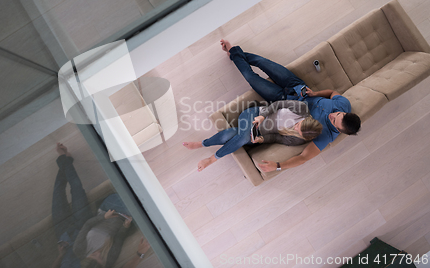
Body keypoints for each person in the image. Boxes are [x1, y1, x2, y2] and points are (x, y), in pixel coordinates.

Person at [219, 39, 361, 173]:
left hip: (282, 99)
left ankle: (233, 52)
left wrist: (278, 166)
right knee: (262, 62)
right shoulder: (344, 104)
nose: (333, 115)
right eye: (338, 114)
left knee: (251, 77)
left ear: (338, 130)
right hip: (297, 86)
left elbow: (303, 158)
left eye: (334, 120)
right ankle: (233, 52)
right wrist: (315, 93)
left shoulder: (326, 136)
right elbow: (332, 93)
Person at [51, 143, 150, 268]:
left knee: (62, 195)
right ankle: (65, 160)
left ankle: (64, 159)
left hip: (68, 235)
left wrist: (61, 256)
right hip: (95, 224)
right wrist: (138, 252)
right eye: (99, 258)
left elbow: (88, 226)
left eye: (95, 257)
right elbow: (118, 241)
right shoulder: (106, 260)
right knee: (135, 205)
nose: (97, 254)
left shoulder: (80, 252)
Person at [184, 100, 323, 171]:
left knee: (234, 133)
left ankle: (202, 143)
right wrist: (262, 116)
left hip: (257, 133)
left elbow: (275, 138)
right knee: (243, 137)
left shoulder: (298, 139)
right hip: (254, 114)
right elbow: (277, 105)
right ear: (307, 119)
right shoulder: (301, 108)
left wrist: (262, 139)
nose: (295, 127)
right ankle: (211, 159)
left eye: (297, 130)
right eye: (299, 124)